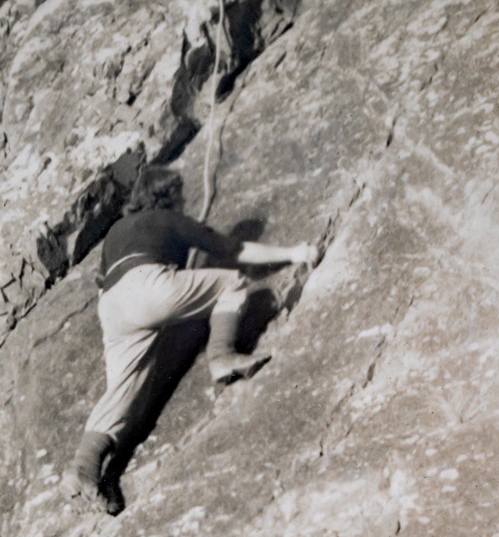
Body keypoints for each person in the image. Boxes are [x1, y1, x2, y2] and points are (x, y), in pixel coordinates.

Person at [65, 169, 317, 514]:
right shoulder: (168, 217)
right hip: (148, 287)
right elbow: (235, 249)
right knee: (232, 283)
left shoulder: (115, 232)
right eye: (179, 195)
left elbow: (104, 278)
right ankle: (222, 355)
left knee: (124, 389)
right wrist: (294, 253)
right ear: (168, 196)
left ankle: (85, 466)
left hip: (111, 306)